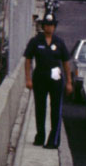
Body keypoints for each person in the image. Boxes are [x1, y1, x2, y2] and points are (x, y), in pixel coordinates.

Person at [23, 14, 72, 149]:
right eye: (46, 25)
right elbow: (28, 59)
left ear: (54, 27)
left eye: (51, 25)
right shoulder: (36, 41)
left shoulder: (59, 42)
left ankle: (53, 140)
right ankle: (40, 136)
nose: (49, 27)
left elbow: (66, 62)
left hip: (56, 79)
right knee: (40, 108)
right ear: (43, 26)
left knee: (56, 109)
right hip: (40, 78)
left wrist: (69, 82)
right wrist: (28, 79)